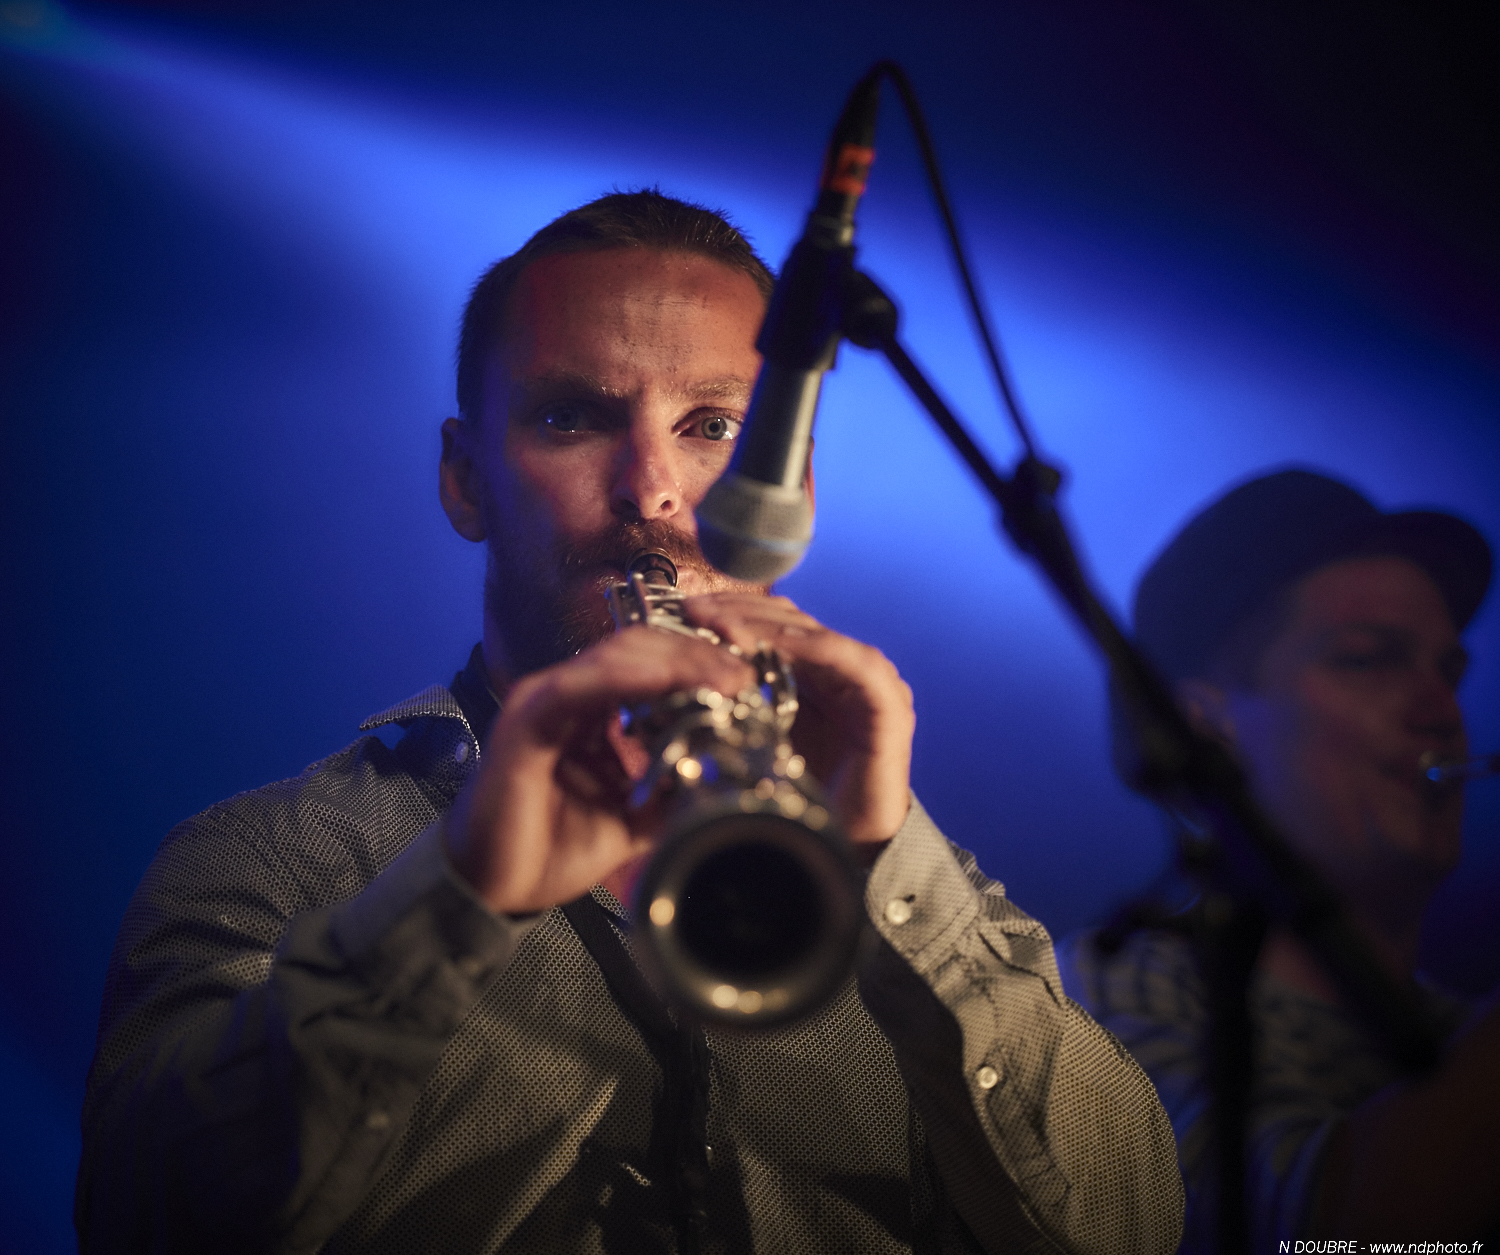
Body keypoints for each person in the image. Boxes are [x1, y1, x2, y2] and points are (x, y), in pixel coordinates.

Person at [75, 191, 1184, 1254]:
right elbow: (145, 1222)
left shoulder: (911, 872)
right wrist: (457, 897)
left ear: (791, 489)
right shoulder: (273, 856)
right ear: (466, 481)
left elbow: (1131, 1227)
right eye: (572, 417)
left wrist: (892, 857)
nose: (652, 489)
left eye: (712, 425)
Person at [1058, 468, 1500, 1249]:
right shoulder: (1093, 1000)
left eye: (1449, 671)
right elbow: (1324, 1236)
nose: (1443, 711)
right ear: (1206, 724)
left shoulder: (1465, 1031)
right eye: (1368, 658)